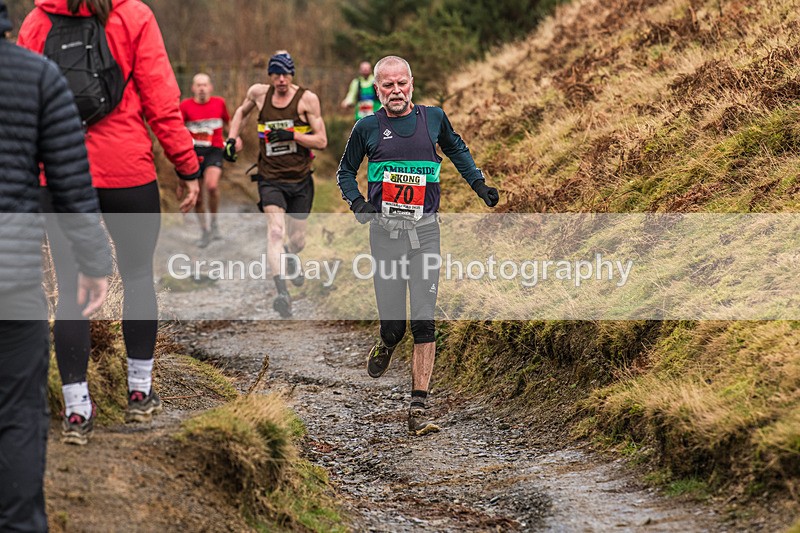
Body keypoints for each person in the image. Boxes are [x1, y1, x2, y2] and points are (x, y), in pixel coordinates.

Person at [19, 0, 200, 444]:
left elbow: (23, 105)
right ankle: (140, 392)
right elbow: (161, 99)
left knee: (70, 286)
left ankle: (77, 409)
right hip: (127, 170)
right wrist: (186, 165)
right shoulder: (133, 16)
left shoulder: (37, 21)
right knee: (138, 276)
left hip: (59, 173)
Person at [336, 56, 500, 436]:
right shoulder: (367, 128)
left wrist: (478, 185)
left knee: (424, 320)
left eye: (402, 84)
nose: (396, 91)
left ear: (412, 83)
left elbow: (457, 149)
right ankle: (386, 342)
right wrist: (359, 204)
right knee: (394, 326)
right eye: (387, 85)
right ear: (376, 90)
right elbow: (345, 171)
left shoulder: (434, 119)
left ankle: (418, 407)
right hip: (385, 235)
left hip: (426, 231)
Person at [0, 1, 112, 527]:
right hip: (11, 278)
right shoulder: (36, 75)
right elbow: (71, 180)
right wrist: (93, 262)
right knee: (19, 416)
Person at [226, 50, 327, 318]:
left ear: (291, 74)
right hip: (270, 178)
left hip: (300, 179)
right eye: (276, 74)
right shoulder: (259, 94)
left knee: (298, 240)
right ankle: (282, 292)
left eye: (285, 74)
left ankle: (291, 256)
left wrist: (292, 135)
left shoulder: (307, 99)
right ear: (270, 75)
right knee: (275, 232)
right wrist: (232, 137)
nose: (281, 80)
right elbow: (241, 112)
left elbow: (321, 140)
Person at [181, 73, 231, 248]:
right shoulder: (185, 106)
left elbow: (228, 124)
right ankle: (205, 231)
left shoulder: (219, 103)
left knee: (212, 186)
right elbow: (178, 130)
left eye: (205, 85)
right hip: (193, 153)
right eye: (198, 85)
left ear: (210, 87)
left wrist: (233, 140)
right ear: (193, 88)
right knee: (198, 197)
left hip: (214, 151)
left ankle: (215, 222)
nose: (202, 88)